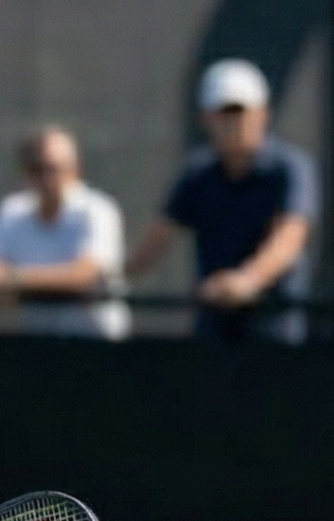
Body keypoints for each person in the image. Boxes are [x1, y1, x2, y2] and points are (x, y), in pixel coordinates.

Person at [128, 58, 317, 343]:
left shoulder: (290, 169)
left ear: (263, 114)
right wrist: (116, 274)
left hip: (274, 330)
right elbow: (158, 238)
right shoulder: (198, 174)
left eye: (240, 112)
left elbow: (290, 237)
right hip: (213, 329)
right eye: (223, 114)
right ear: (205, 119)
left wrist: (248, 280)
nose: (233, 123)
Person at [0, 126, 128, 339]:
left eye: (55, 169)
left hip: (95, 343)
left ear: (75, 170)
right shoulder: (12, 211)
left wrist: (12, 278)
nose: (47, 179)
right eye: (37, 169)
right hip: (37, 343)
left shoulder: (98, 210)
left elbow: (85, 275)